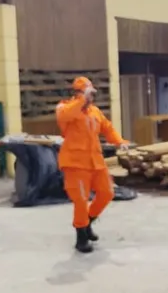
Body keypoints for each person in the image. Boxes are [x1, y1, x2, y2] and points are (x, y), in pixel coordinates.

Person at [55, 77, 130, 253]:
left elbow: (107, 128)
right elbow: (65, 116)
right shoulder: (65, 107)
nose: (91, 97)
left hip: (96, 162)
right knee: (80, 200)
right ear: (78, 93)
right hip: (75, 164)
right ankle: (81, 236)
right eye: (88, 93)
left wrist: (119, 141)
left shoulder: (95, 112)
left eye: (92, 93)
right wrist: (82, 100)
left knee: (107, 193)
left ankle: (88, 221)